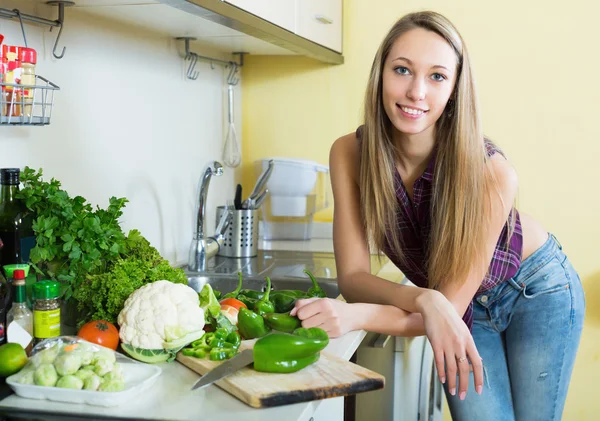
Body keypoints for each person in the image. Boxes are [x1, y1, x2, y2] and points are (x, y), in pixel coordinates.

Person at [289, 10, 585, 421]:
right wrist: (424, 298)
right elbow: (354, 278)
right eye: (402, 70)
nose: (416, 92)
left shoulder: (492, 173)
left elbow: (446, 306)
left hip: (537, 289)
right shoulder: (349, 154)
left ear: (455, 90)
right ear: (381, 75)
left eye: (437, 76)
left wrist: (360, 315)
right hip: (455, 301)